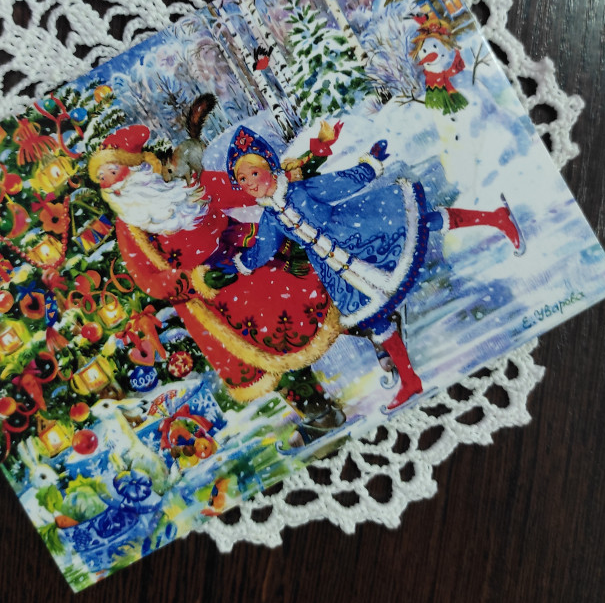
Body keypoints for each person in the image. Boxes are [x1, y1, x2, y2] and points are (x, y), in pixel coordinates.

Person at [226, 125, 524, 410]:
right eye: (242, 179)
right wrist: (241, 264)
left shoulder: (301, 190)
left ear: (270, 168)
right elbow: (264, 248)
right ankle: (410, 381)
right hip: (337, 271)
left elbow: (342, 183)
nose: (250, 183)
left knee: (422, 222)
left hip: (358, 234)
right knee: (375, 319)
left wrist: (370, 164)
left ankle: (497, 219)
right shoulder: (271, 218)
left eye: (254, 173)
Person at [87, 124, 347, 440]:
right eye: (101, 178)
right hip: (205, 297)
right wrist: (189, 279)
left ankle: (375, 339)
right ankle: (318, 411)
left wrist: (287, 173)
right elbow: (147, 279)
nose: (108, 183)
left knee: (304, 298)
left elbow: (240, 188)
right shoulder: (130, 226)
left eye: (112, 172)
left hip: (243, 257)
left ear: (137, 166)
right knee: (259, 355)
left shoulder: (187, 183)